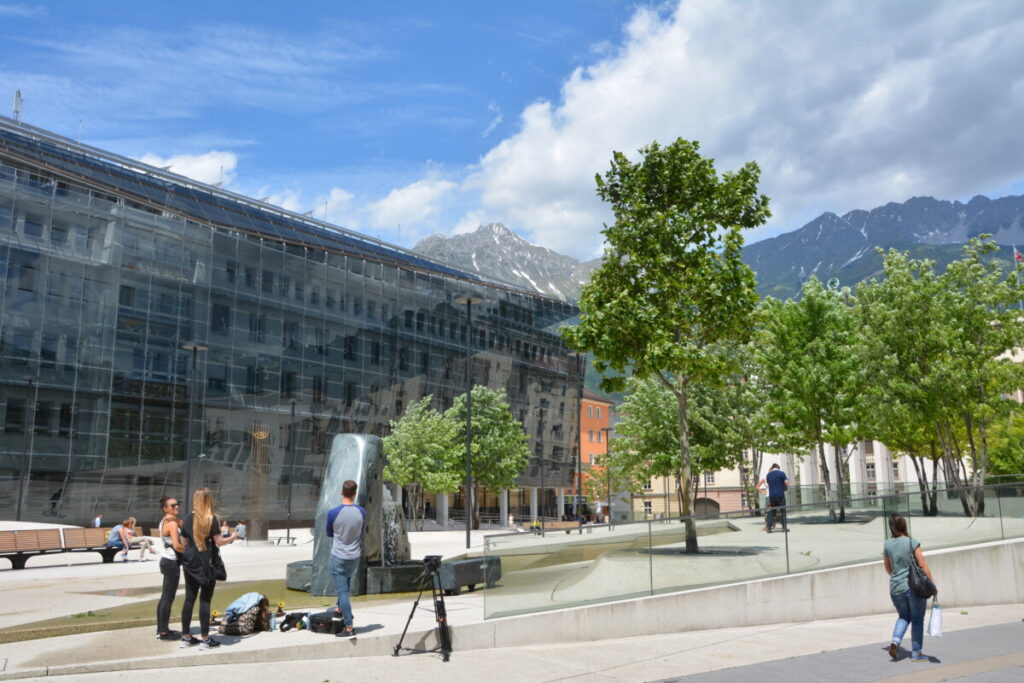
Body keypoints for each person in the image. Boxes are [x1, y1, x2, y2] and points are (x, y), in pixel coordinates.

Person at [180, 488, 237, 650]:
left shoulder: (187, 518)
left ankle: (186, 636)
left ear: (195, 500)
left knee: (189, 599)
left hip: (190, 562)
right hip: (207, 562)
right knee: (205, 600)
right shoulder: (211, 519)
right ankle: (205, 639)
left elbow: (183, 542)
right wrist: (232, 538)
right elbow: (219, 542)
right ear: (208, 501)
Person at [883, 514, 937, 662]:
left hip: (895, 588)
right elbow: (922, 565)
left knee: (903, 616)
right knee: (917, 619)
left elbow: (888, 568)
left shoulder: (887, 544)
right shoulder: (912, 542)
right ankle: (916, 653)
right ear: (904, 525)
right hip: (913, 588)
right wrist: (932, 585)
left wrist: (897, 576)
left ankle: (895, 641)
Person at [325, 479, 365, 639]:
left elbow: (329, 533)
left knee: (343, 592)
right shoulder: (362, 511)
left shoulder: (333, 513)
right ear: (354, 494)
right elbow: (361, 531)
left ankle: (349, 627)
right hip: (354, 556)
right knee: (346, 583)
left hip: (339, 556)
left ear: (342, 492)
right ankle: (340, 609)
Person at [156, 496, 184, 641]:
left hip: (166, 561)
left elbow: (185, 526)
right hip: (171, 562)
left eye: (177, 504)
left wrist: (178, 521)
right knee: (168, 597)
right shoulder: (171, 524)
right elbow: (177, 546)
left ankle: (161, 629)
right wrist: (192, 553)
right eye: (172, 506)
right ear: (165, 509)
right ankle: (164, 633)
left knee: (164, 597)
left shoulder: (165, 521)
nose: (176, 507)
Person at [757, 463, 790, 533]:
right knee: (783, 511)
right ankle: (784, 528)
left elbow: (770, 485)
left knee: (772, 511)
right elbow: (787, 483)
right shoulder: (782, 473)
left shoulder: (768, 475)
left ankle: (769, 527)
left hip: (771, 496)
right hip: (780, 494)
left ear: (772, 468)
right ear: (778, 468)